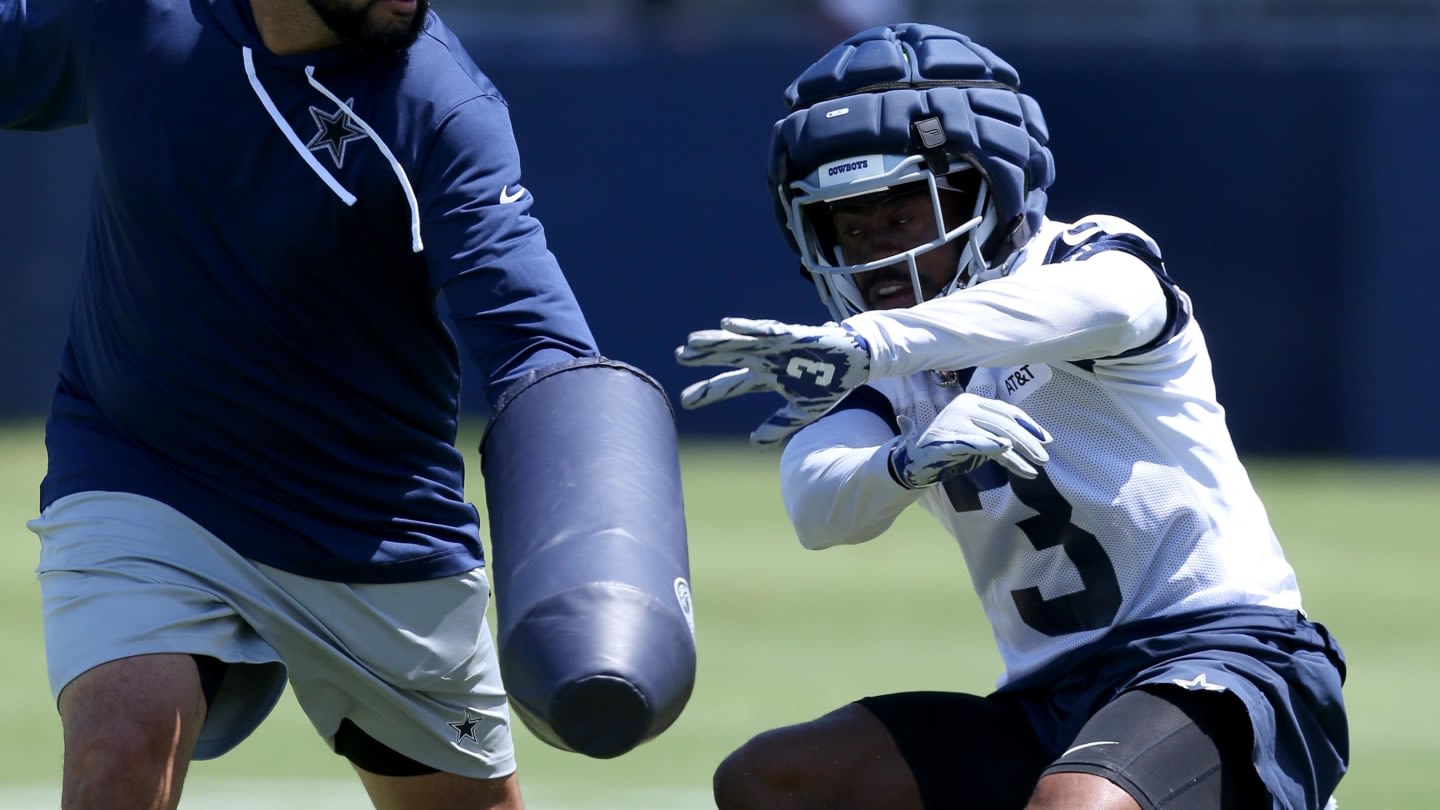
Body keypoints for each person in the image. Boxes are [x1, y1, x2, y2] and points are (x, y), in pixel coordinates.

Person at [2, 0, 695, 806]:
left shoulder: (442, 108)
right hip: (142, 469)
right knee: (122, 739)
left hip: (370, 527)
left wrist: (601, 554)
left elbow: (534, 342)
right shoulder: (129, 17)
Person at [677, 22, 1348, 810]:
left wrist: (874, 343)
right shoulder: (884, 364)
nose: (873, 257)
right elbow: (816, 503)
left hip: (1222, 659)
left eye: (900, 219)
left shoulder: (1082, 260)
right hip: (1049, 703)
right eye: (849, 229)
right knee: (771, 782)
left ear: (988, 188)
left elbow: (1113, 301)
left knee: (1075, 804)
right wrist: (904, 460)